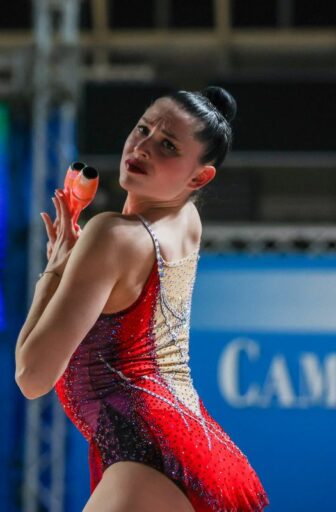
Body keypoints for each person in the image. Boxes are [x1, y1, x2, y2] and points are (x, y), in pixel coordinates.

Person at [14, 87, 270, 511]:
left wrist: (55, 270)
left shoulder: (111, 234)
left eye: (167, 145)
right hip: (208, 460)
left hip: (151, 460)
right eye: (143, 128)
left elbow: (31, 376)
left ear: (199, 178)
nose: (143, 147)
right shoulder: (187, 219)